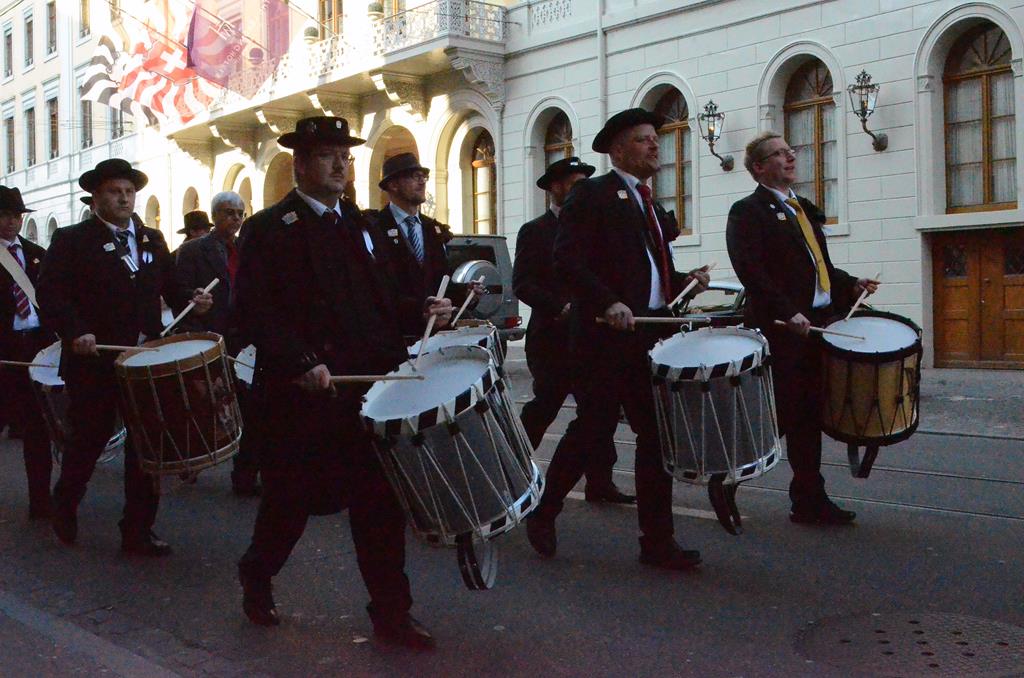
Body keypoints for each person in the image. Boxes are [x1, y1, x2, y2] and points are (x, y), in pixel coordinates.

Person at [234, 117, 453, 649]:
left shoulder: (361, 224)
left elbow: (381, 298)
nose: (340, 165)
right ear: (300, 165)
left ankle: (391, 613)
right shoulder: (269, 228)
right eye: (327, 155)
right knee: (290, 504)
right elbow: (256, 313)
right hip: (304, 396)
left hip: (366, 390)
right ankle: (257, 572)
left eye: (345, 156)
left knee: (379, 504)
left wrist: (420, 309)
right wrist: (301, 361)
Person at [525, 109, 709, 570]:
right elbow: (567, 260)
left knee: (656, 437)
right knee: (593, 427)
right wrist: (607, 302)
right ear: (619, 149)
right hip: (604, 339)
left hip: (649, 335)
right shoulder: (593, 194)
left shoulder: (648, 203)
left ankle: (657, 541)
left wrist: (685, 282)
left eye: (655, 138)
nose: (655, 145)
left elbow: (649, 271)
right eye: (644, 139)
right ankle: (545, 509)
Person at [36, 158, 213, 556]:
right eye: (115, 192)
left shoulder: (151, 239)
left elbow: (172, 287)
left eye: (129, 192)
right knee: (90, 437)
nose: (124, 198)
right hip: (94, 358)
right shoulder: (72, 239)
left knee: (147, 444)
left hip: (144, 358)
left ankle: (138, 529)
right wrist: (75, 331)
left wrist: (194, 299)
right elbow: (51, 293)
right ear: (95, 198)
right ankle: (64, 502)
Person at [725, 131, 879, 525]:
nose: (790, 157)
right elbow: (751, 271)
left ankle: (808, 498)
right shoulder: (748, 211)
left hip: (816, 327)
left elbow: (820, 268)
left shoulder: (801, 209)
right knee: (779, 415)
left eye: (790, 151)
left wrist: (851, 284)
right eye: (779, 153)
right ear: (760, 167)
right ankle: (726, 478)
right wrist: (787, 311)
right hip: (783, 330)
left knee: (806, 416)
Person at [513, 157, 633, 504]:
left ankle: (600, 481)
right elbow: (523, 284)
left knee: (598, 411)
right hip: (551, 339)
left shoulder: (593, 228)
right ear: (554, 187)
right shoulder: (535, 231)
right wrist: (559, 306)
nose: (581, 188)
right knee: (545, 405)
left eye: (584, 182)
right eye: (573, 182)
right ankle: (513, 469)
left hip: (589, 337)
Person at [173, 191, 260, 496]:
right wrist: (194, 299)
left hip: (243, 338)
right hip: (209, 335)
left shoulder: (247, 248)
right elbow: (178, 291)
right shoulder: (193, 250)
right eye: (228, 212)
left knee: (249, 406)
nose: (235, 218)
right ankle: (188, 456)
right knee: (206, 404)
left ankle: (245, 474)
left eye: (240, 213)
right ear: (214, 216)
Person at [369, 152, 482, 331]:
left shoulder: (433, 229)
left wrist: (466, 293)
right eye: (415, 176)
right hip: (395, 332)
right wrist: (419, 309)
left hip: (434, 333)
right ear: (393, 185)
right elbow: (377, 289)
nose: (422, 182)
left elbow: (440, 282)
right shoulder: (375, 227)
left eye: (423, 177)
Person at [0, 186, 54, 519]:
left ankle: (40, 499)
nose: (11, 222)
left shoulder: (37, 253)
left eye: (16, 216)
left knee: (38, 429)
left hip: (34, 349)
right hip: (3, 350)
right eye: (4, 216)